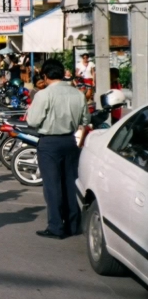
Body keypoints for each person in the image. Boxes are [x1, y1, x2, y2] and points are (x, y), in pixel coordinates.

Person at [26, 58, 90, 239]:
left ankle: (56, 226)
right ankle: (73, 224)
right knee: (71, 183)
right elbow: (85, 120)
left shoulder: (44, 95)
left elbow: (33, 121)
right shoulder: (78, 94)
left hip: (49, 143)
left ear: (45, 76)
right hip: (70, 141)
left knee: (52, 186)